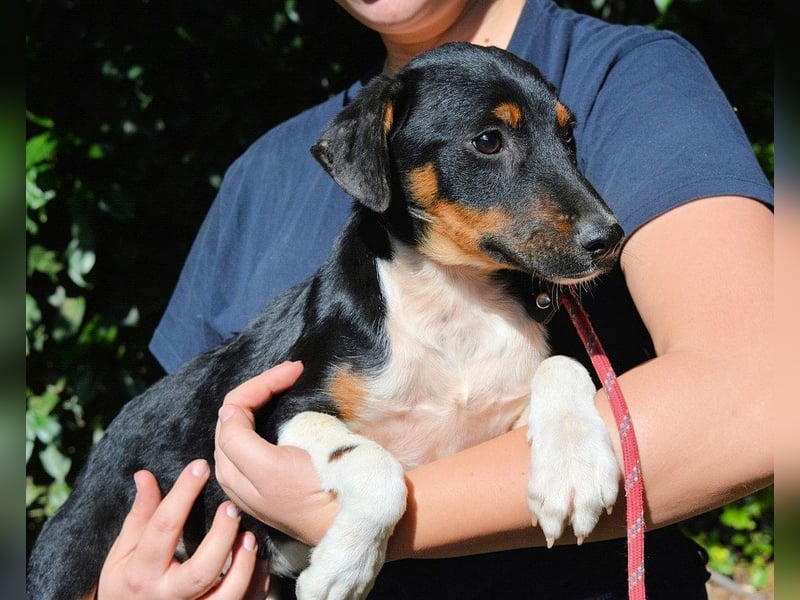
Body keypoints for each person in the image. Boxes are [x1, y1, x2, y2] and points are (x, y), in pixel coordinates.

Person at [98, 0, 774, 597]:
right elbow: (164, 473)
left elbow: (760, 398)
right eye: (487, 143)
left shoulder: (624, 79)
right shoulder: (261, 176)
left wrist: (355, 516)